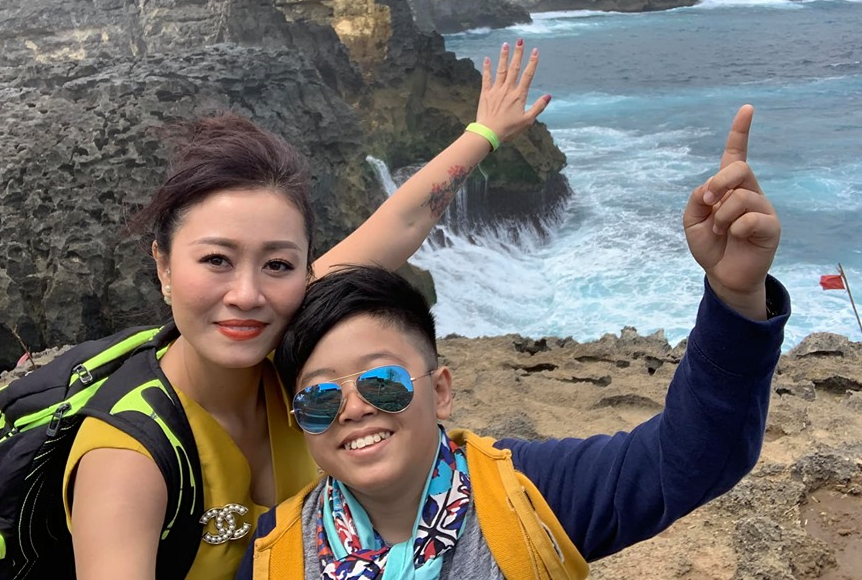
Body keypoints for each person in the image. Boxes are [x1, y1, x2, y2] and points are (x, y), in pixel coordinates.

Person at [66, 40, 551, 579]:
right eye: (216, 260)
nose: (247, 294)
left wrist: (486, 132)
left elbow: (403, 222)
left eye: (277, 263)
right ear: (163, 266)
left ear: (303, 269)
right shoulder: (127, 457)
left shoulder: (285, 329)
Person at [238, 105, 790, 579]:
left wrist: (735, 297)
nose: (354, 409)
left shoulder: (528, 494)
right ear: (300, 422)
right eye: (319, 399)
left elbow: (690, 458)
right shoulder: (273, 554)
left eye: (383, 382)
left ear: (441, 390)